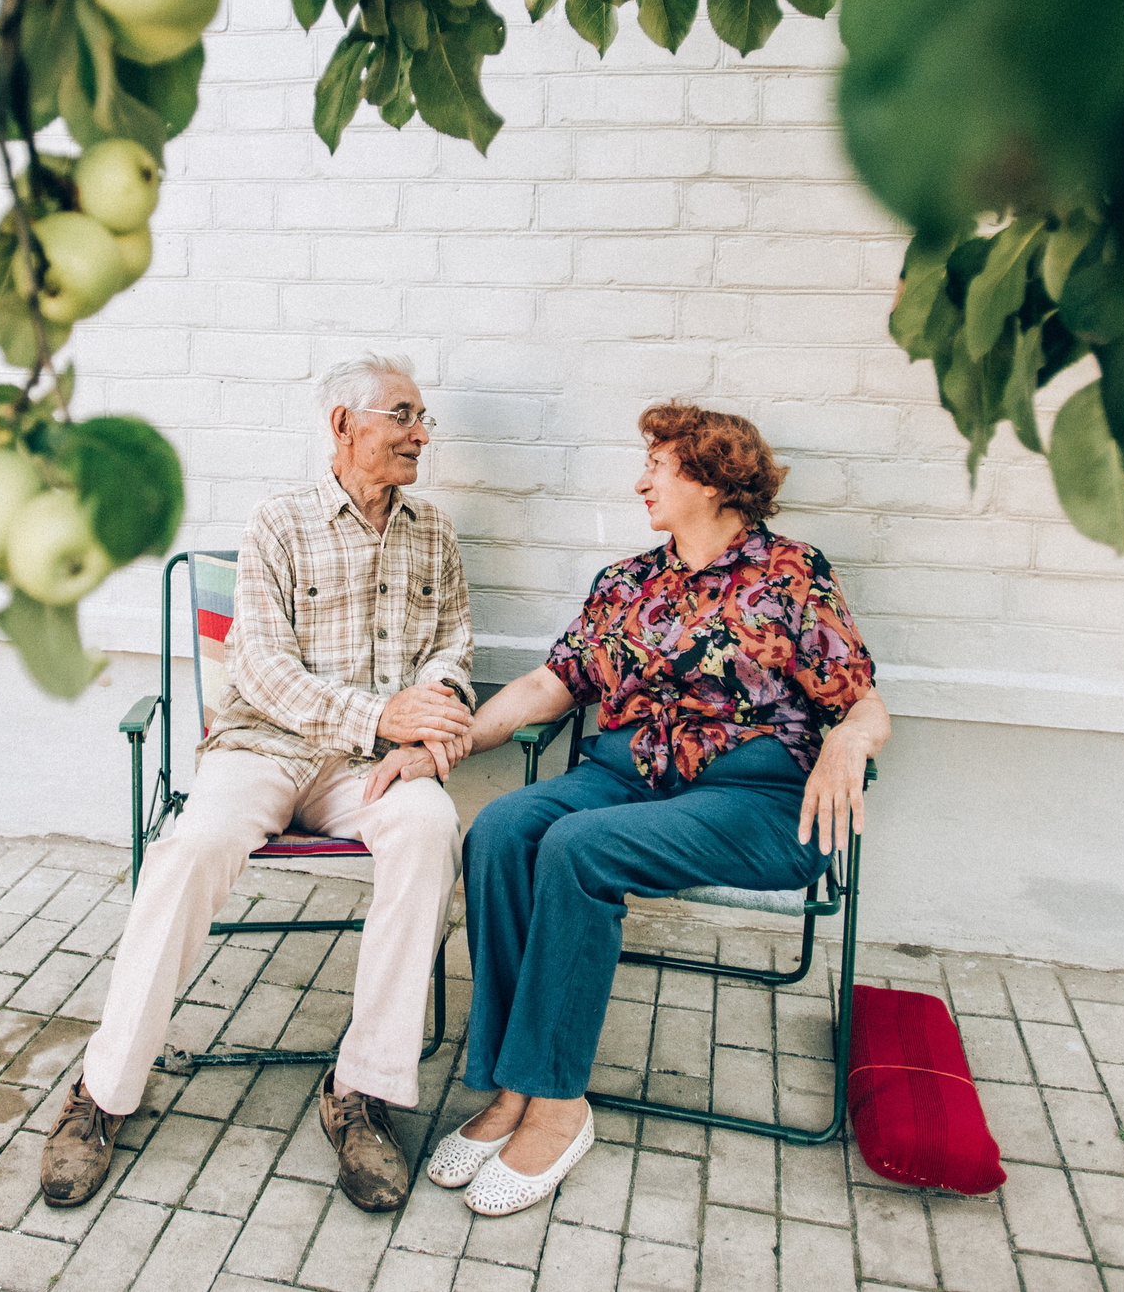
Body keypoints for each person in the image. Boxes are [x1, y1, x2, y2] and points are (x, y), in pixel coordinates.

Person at [365, 402, 890, 1217]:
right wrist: (447, 741)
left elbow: (862, 702)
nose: (640, 479)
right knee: (502, 830)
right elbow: (551, 685)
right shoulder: (627, 583)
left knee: (578, 847)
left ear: (715, 478)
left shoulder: (790, 575)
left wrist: (849, 744)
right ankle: (512, 1083)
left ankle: (559, 1101)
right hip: (625, 776)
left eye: (660, 464)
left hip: (752, 798)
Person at [41, 352, 476, 1214]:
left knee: (430, 828)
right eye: (402, 414)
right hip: (264, 747)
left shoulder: (435, 533)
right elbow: (263, 669)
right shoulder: (277, 523)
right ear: (343, 425)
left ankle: (362, 1090)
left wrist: (432, 733)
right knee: (191, 845)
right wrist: (381, 716)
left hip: (372, 766)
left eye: (425, 418)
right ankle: (104, 1090)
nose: (421, 434)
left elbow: (453, 651)